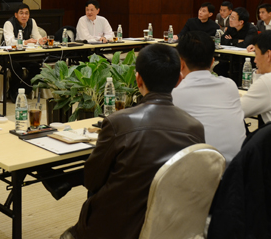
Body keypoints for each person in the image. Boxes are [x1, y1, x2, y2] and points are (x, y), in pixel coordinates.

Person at [63, 44, 204, 239]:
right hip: (169, 225)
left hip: (117, 228)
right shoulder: (195, 128)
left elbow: (91, 180)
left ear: (138, 79)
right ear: (179, 79)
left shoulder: (118, 122)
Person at [173, 31, 245, 164]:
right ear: (212, 62)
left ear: (181, 63)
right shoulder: (230, 86)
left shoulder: (176, 93)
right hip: (237, 169)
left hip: (203, 171)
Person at [3, 4, 46, 100]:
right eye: (21, 13)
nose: (24, 16)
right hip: (7, 55)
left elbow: (37, 37)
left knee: (36, 68)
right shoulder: (9, 23)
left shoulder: (32, 22)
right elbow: (9, 42)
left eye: (26, 13)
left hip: (23, 55)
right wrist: (25, 42)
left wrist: (41, 41)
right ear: (16, 15)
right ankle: (13, 93)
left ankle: (22, 90)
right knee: (16, 68)